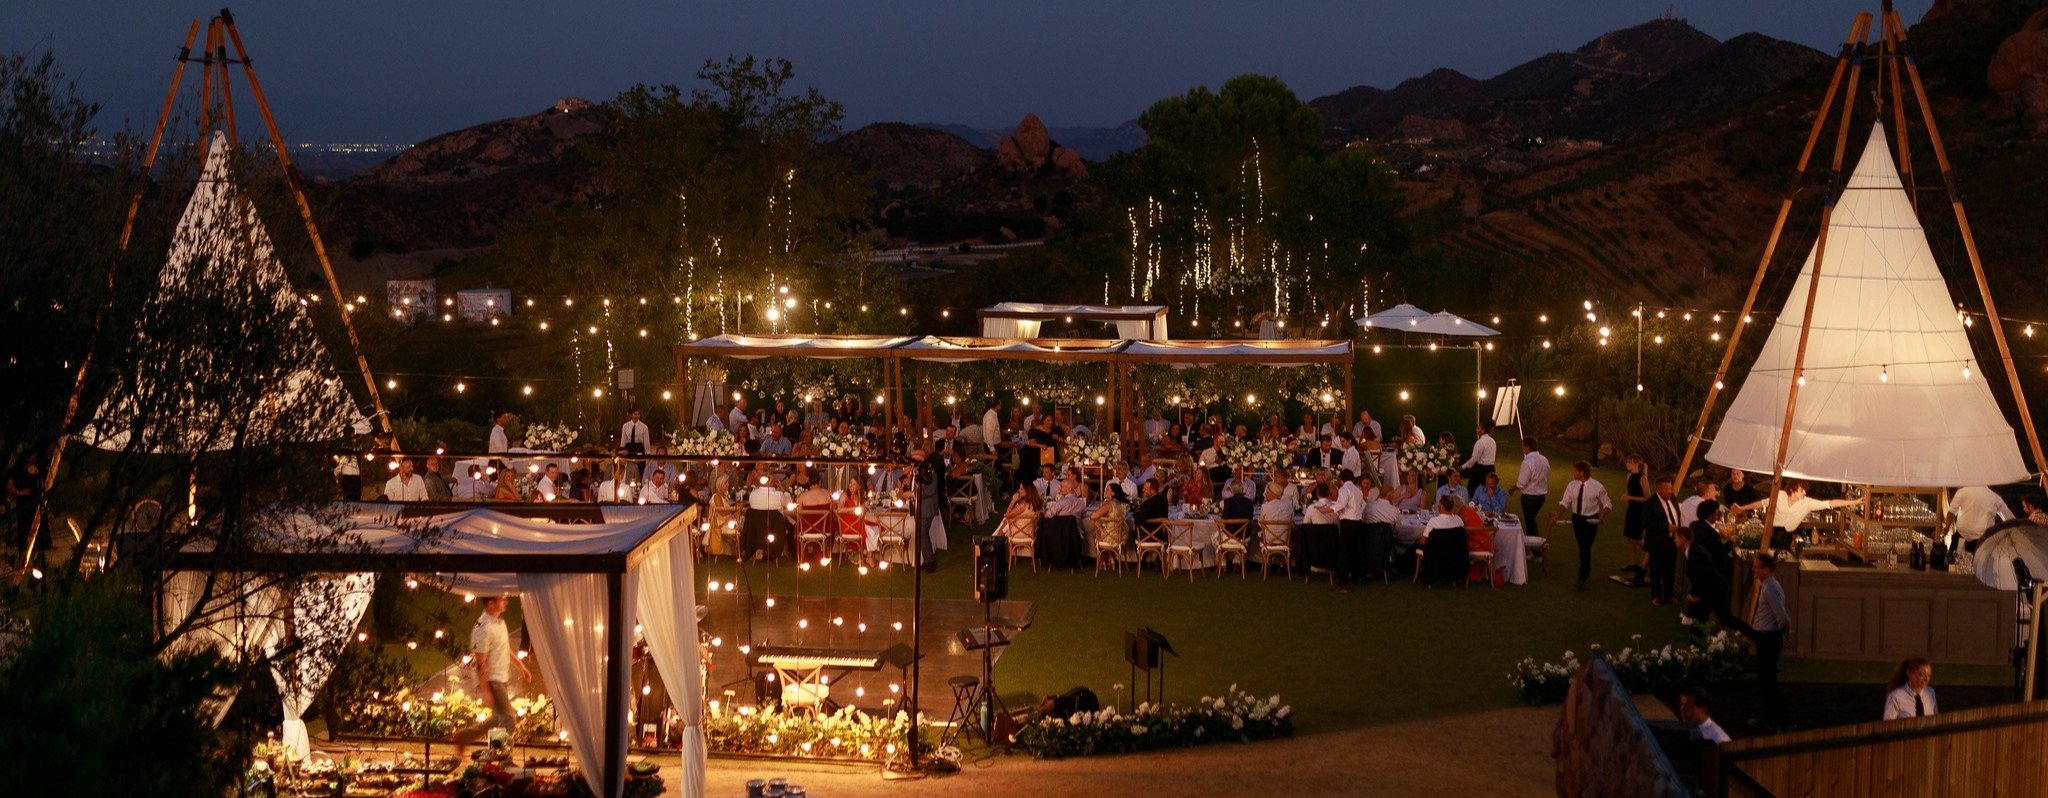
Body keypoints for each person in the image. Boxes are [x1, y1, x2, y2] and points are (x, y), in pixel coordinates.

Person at [455, 596, 531, 747]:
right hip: (491, 680)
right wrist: (485, 690)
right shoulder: (483, 628)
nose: (506, 602)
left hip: (501, 677)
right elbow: (480, 662)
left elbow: (504, 648)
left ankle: (463, 737)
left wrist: (520, 666)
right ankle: (497, 754)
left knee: (499, 717)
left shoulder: (500, 623)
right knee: (509, 720)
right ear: (491, 604)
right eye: (502, 599)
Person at [1734, 479, 1859, 550]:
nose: (1804, 492)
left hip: (1786, 537)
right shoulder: (1780, 495)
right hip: (1771, 532)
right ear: (1792, 490)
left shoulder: (1807, 503)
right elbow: (1761, 503)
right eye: (1801, 490)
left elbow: (1829, 503)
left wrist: (1855, 501)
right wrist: (1741, 508)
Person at [1551, 461, 1611, 590]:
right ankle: (1586, 572)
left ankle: (1582, 576)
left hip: (1591, 520)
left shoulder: (1597, 487)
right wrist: (1557, 515)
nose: (1573, 473)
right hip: (1577, 519)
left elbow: (1607, 504)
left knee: (1585, 546)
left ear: (1582, 472)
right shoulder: (1571, 485)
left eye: (1575, 471)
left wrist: (1602, 517)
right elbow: (1564, 502)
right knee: (1583, 547)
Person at [1747, 554, 1791, 730]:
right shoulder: (1770, 586)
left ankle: (1774, 720)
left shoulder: (1770, 589)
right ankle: (1778, 718)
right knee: (1767, 680)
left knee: (1767, 681)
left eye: (1756, 567)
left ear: (1766, 569)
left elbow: (1782, 616)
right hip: (1767, 637)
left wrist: (1784, 635)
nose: (1753, 570)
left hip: (1768, 638)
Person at [1644, 476, 1682, 604]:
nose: (1670, 491)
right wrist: (1666, 527)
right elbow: (1646, 522)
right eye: (1666, 489)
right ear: (1659, 488)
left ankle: (1669, 594)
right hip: (1657, 542)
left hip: (1672, 542)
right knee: (1656, 570)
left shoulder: (1673, 498)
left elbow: (1677, 516)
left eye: (1670, 488)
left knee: (1670, 569)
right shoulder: (1651, 503)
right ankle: (1656, 596)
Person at [1947, 485, 2013, 547]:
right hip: (1983, 541)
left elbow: (1951, 512)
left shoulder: (1962, 492)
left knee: (1955, 555)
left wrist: (1947, 528)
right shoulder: (1995, 497)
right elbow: (2010, 519)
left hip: (1961, 537)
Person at [1511, 436, 1550, 532]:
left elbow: (1521, 483)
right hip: (1541, 497)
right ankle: (1532, 538)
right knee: (1532, 519)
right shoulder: (1544, 459)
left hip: (1529, 497)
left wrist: (1513, 488)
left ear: (1527, 447)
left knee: (1530, 522)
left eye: (1523, 446)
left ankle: (1533, 539)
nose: (1522, 449)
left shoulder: (1527, 461)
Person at [1620, 455, 1649, 583]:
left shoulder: (1642, 478)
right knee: (1629, 536)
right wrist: (1625, 495)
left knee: (1635, 537)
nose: (1627, 464)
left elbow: (1647, 498)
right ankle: (1632, 564)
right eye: (1627, 462)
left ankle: (1652, 552)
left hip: (1640, 511)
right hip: (1631, 509)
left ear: (1636, 464)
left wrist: (1630, 498)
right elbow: (1629, 492)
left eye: (1629, 462)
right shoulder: (1629, 476)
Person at [1461, 421, 1498, 493]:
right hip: (1491, 468)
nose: (1476, 430)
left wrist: (1462, 467)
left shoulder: (1480, 442)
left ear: (1483, 430)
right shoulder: (1492, 441)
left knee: (1471, 489)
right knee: (1489, 490)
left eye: (1478, 428)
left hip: (1481, 469)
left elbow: (1474, 459)